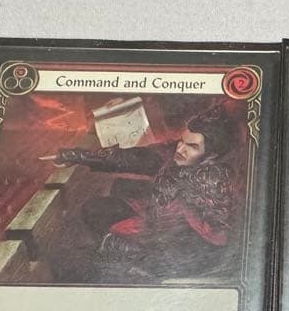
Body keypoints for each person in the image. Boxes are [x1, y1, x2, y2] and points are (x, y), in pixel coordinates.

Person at [54, 105, 238, 282]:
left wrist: (135, 243)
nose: (180, 149)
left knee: (111, 253)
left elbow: (200, 244)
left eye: (192, 146)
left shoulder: (211, 183)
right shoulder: (177, 155)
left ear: (211, 155)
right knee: (97, 208)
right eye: (181, 141)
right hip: (155, 223)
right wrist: (80, 156)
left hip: (179, 252)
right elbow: (137, 158)